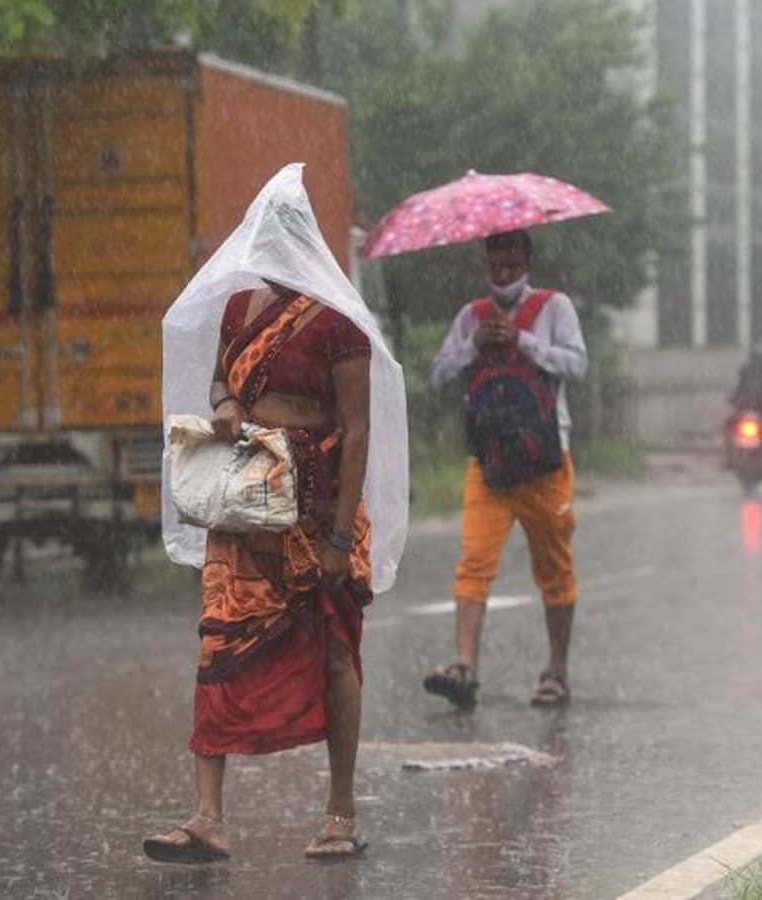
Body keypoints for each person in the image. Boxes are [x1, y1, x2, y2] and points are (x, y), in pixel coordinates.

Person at [147, 165, 407, 863]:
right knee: (219, 646)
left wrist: (334, 534)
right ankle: (207, 817)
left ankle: (341, 812)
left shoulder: (337, 323)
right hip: (245, 506)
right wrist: (227, 406)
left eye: (281, 235)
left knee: (331, 652)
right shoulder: (239, 311)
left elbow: (355, 430)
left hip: (318, 507)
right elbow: (220, 382)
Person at [422, 229, 588, 710]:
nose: (504, 275)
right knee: (473, 564)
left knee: (555, 570)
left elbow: (577, 365)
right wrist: (474, 345)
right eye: (496, 265)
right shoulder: (471, 317)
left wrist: (524, 341)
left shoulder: (555, 309)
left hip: (545, 462)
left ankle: (556, 671)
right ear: (486, 262)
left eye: (513, 265)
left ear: (528, 262)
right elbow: (438, 375)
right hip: (489, 462)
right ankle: (465, 668)